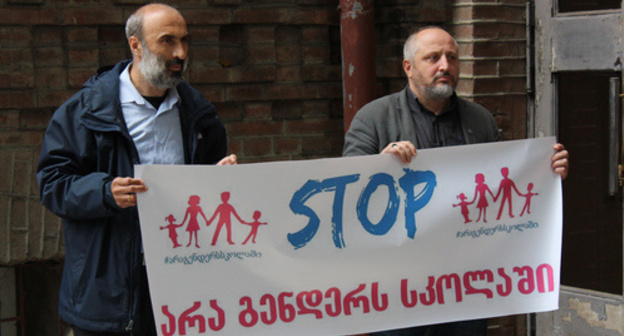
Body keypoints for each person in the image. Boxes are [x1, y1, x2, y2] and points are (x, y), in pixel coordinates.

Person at [343, 26, 569, 336]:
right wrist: (378, 166)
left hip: (464, 284)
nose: (445, 66)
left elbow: (503, 189)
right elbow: (347, 190)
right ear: (408, 67)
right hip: (399, 286)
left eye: (452, 57)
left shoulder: (480, 120)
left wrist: (546, 174)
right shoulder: (373, 118)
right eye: (433, 58)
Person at [36, 4, 236, 335]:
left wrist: (222, 179)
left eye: (185, 41)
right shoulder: (85, 111)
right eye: (167, 41)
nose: (180, 53)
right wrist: (104, 192)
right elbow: (52, 185)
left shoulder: (200, 115)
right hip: (108, 289)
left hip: (182, 281)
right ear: (135, 45)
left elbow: (204, 194)